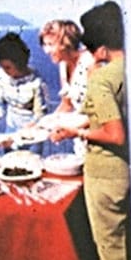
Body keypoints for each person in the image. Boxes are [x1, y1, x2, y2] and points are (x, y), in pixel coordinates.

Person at [51, 1, 130, 260]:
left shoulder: (102, 79)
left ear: (101, 49)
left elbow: (114, 134)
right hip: (126, 172)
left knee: (110, 254)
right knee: (126, 250)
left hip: (105, 173)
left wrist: (76, 131)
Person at [39, 19, 96, 158]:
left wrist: (69, 129)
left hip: (97, 139)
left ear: (66, 43)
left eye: (50, 44)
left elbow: (102, 113)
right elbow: (67, 104)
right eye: (45, 45)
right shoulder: (63, 65)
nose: (46, 50)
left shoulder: (90, 63)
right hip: (80, 143)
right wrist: (38, 127)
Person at [0, 32, 49, 155]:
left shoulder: (36, 82)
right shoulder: (2, 75)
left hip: (32, 133)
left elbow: (40, 113)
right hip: (11, 129)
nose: (5, 71)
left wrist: (28, 130)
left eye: (8, 67)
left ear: (19, 62)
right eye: (2, 67)